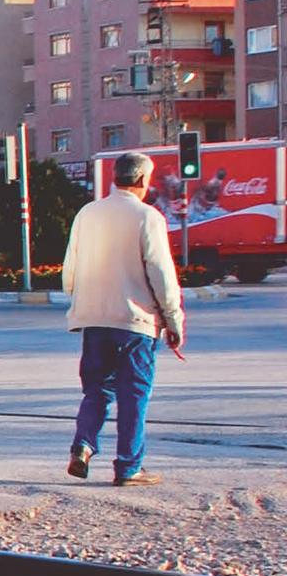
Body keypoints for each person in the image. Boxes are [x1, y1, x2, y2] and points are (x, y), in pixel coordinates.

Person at [63, 150, 184, 487]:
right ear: (143, 179)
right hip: (135, 322)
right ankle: (129, 467)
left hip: (94, 319)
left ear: (115, 177)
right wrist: (173, 321)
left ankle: (83, 446)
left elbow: (69, 272)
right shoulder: (148, 217)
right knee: (133, 395)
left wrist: (85, 300)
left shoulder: (87, 214)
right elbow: (161, 273)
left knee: (97, 390)